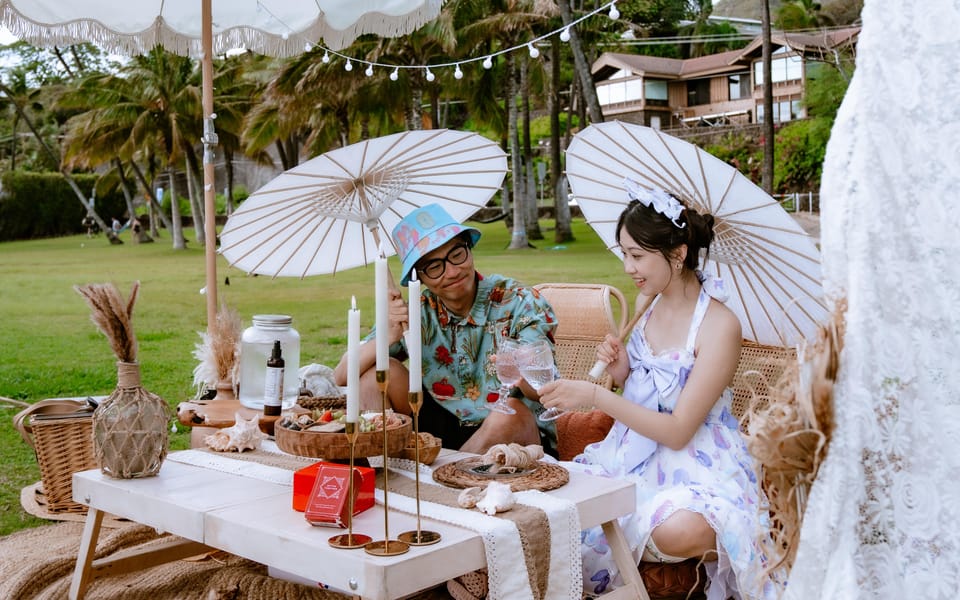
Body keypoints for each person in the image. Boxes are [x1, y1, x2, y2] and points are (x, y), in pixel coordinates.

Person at [538, 188, 775, 599]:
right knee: (560, 501)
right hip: (633, 453)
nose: (628, 267)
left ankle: (635, 539)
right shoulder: (649, 303)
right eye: (624, 253)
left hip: (700, 462)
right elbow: (650, 393)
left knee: (684, 527)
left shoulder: (720, 326)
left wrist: (596, 397)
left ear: (678, 253)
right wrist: (622, 371)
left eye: (637, 255)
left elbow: (680, 429)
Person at [333, 203, 558, 455]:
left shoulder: (521, 302)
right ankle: (379, 466)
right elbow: (341, 375)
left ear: (469, 248)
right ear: (419, 277)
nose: (452, 271)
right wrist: (387, 336)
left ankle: (444, 480)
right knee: (375, 375)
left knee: (509, 413)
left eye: (457, 254)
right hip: (439, 422)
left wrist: (522, 372)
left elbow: (542, 391)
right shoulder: (416, 312)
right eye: (435, 266)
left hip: (513, 430)